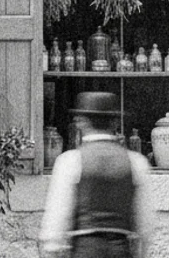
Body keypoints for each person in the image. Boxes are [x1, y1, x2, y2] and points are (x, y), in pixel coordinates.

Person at [40, 92, 154, 258]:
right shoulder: (136, 162)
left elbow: (57, 220)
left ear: (82, 122)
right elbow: (146, 224)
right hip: (120, 249)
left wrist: (52, 248)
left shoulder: (69, 161)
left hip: (85, 250)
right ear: (115, 122)